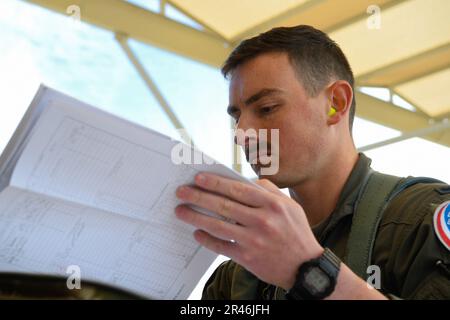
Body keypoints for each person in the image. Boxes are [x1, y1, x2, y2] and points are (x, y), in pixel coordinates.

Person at [174, 25, 450, 300]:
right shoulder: (236, 277)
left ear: (336, 103)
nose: (241, 135)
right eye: (237, 117)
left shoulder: (418, 223)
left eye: (267, 108)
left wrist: (309, 271)